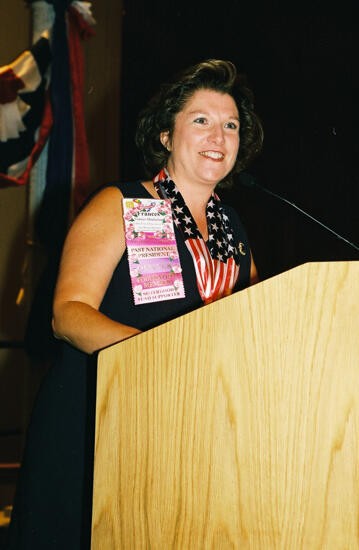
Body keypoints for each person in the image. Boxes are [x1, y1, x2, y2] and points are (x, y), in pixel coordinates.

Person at [8, 59, 263, 549]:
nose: (218, 135)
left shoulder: (233, 229)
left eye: (230, 124)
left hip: (179, 427)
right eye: (201, 120)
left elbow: (254, 324)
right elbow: (68, 315)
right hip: (96, 422)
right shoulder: (121, 205)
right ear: (166, 135)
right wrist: (162, 354)